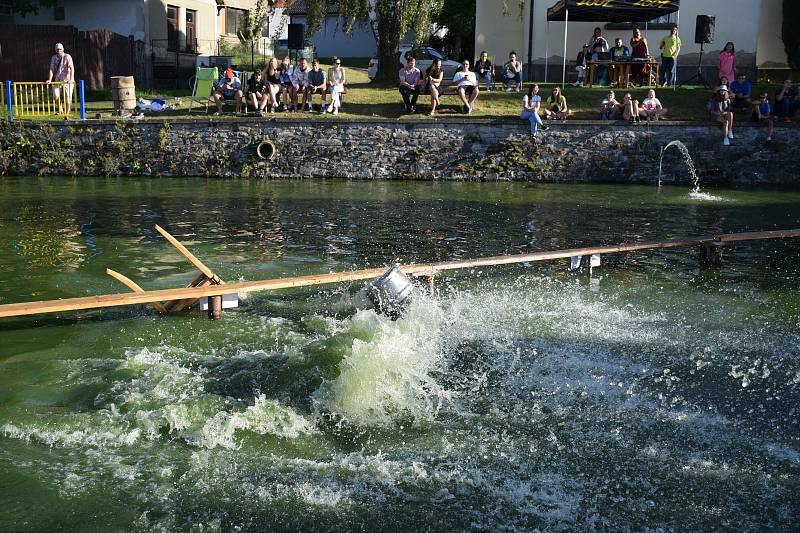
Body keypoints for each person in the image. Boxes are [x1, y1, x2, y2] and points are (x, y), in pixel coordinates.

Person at [46, 42, 75, 116]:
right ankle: (61, 110)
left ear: (63, 49)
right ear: (55, 50)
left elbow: (71, 68)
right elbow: (51, 69)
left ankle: (67, 114)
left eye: (60, 49)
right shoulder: (53, 57)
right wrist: (49, 79)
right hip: (58, 80)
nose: (59, 50)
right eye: (57, 49)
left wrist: (71, 79)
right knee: (55, 95)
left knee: (68, 98)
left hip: (67, 80)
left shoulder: (67, 56)